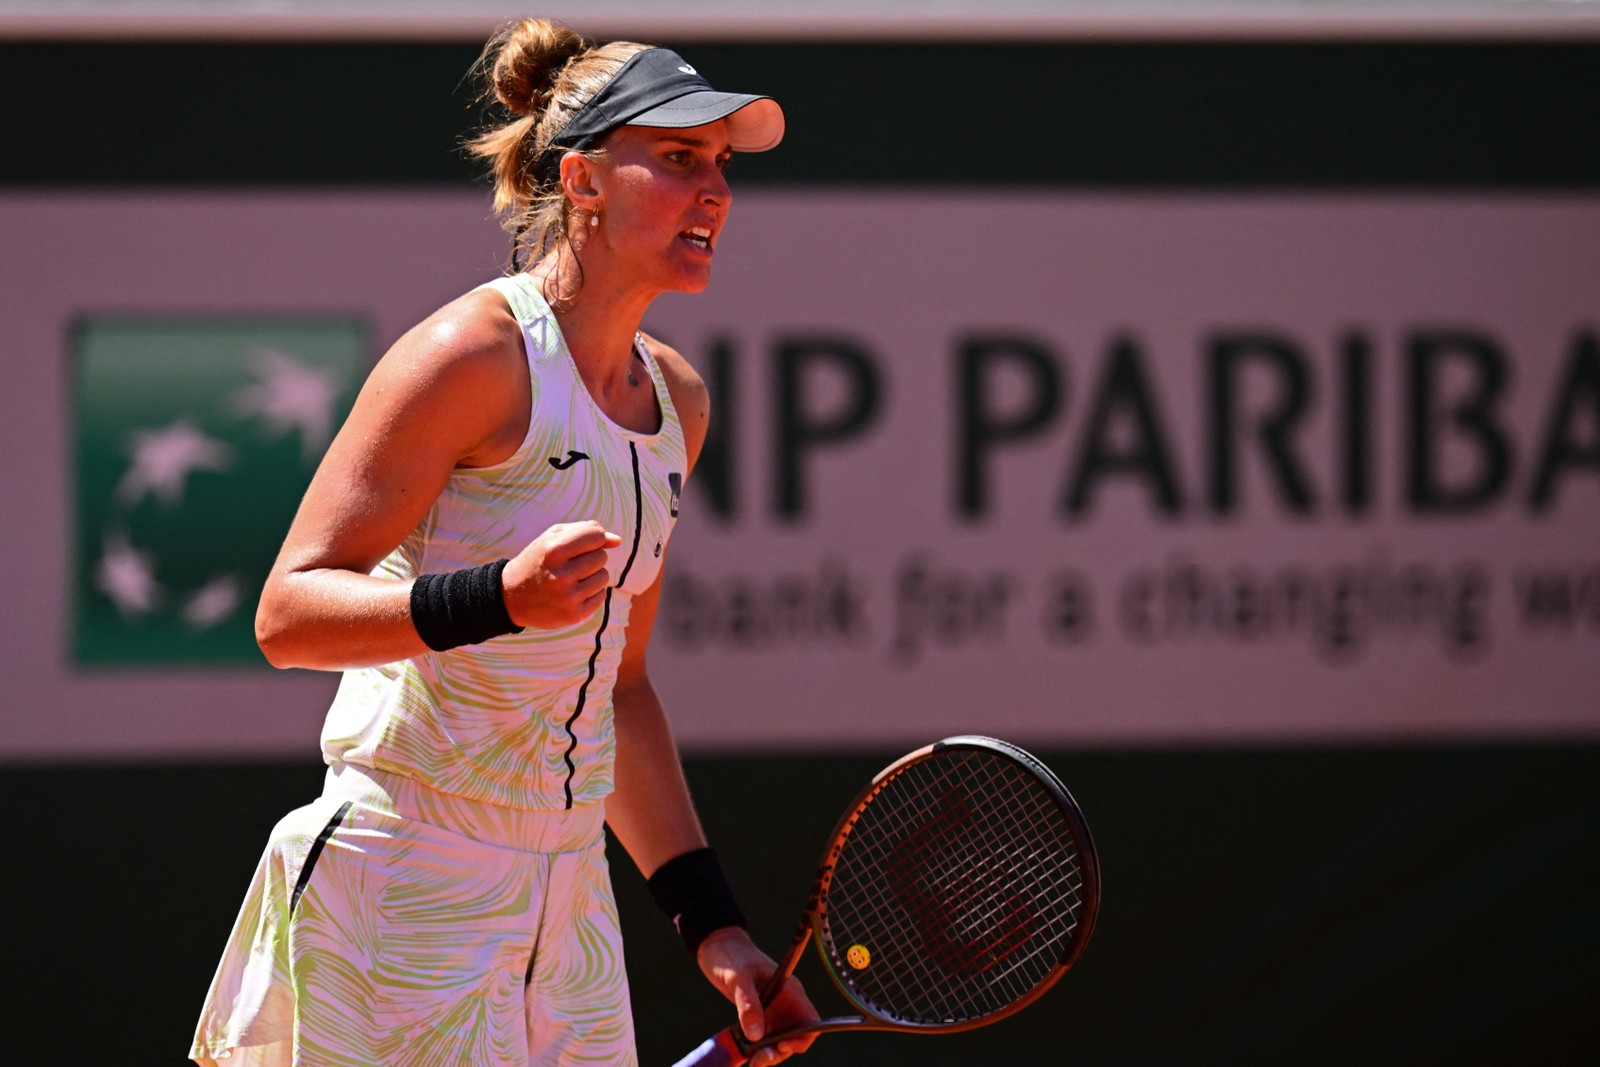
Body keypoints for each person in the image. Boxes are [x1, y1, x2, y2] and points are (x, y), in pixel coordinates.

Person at [190, 18, 818, 1067]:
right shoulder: (470, 355)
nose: (713, 189)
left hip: (567, 915)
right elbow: (288, 613)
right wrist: (495, 599)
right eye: (675, 159)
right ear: (581, 179)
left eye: (718, 165)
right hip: (397, 885)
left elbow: (617, 687)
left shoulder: (679, 407)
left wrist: (715, 927)